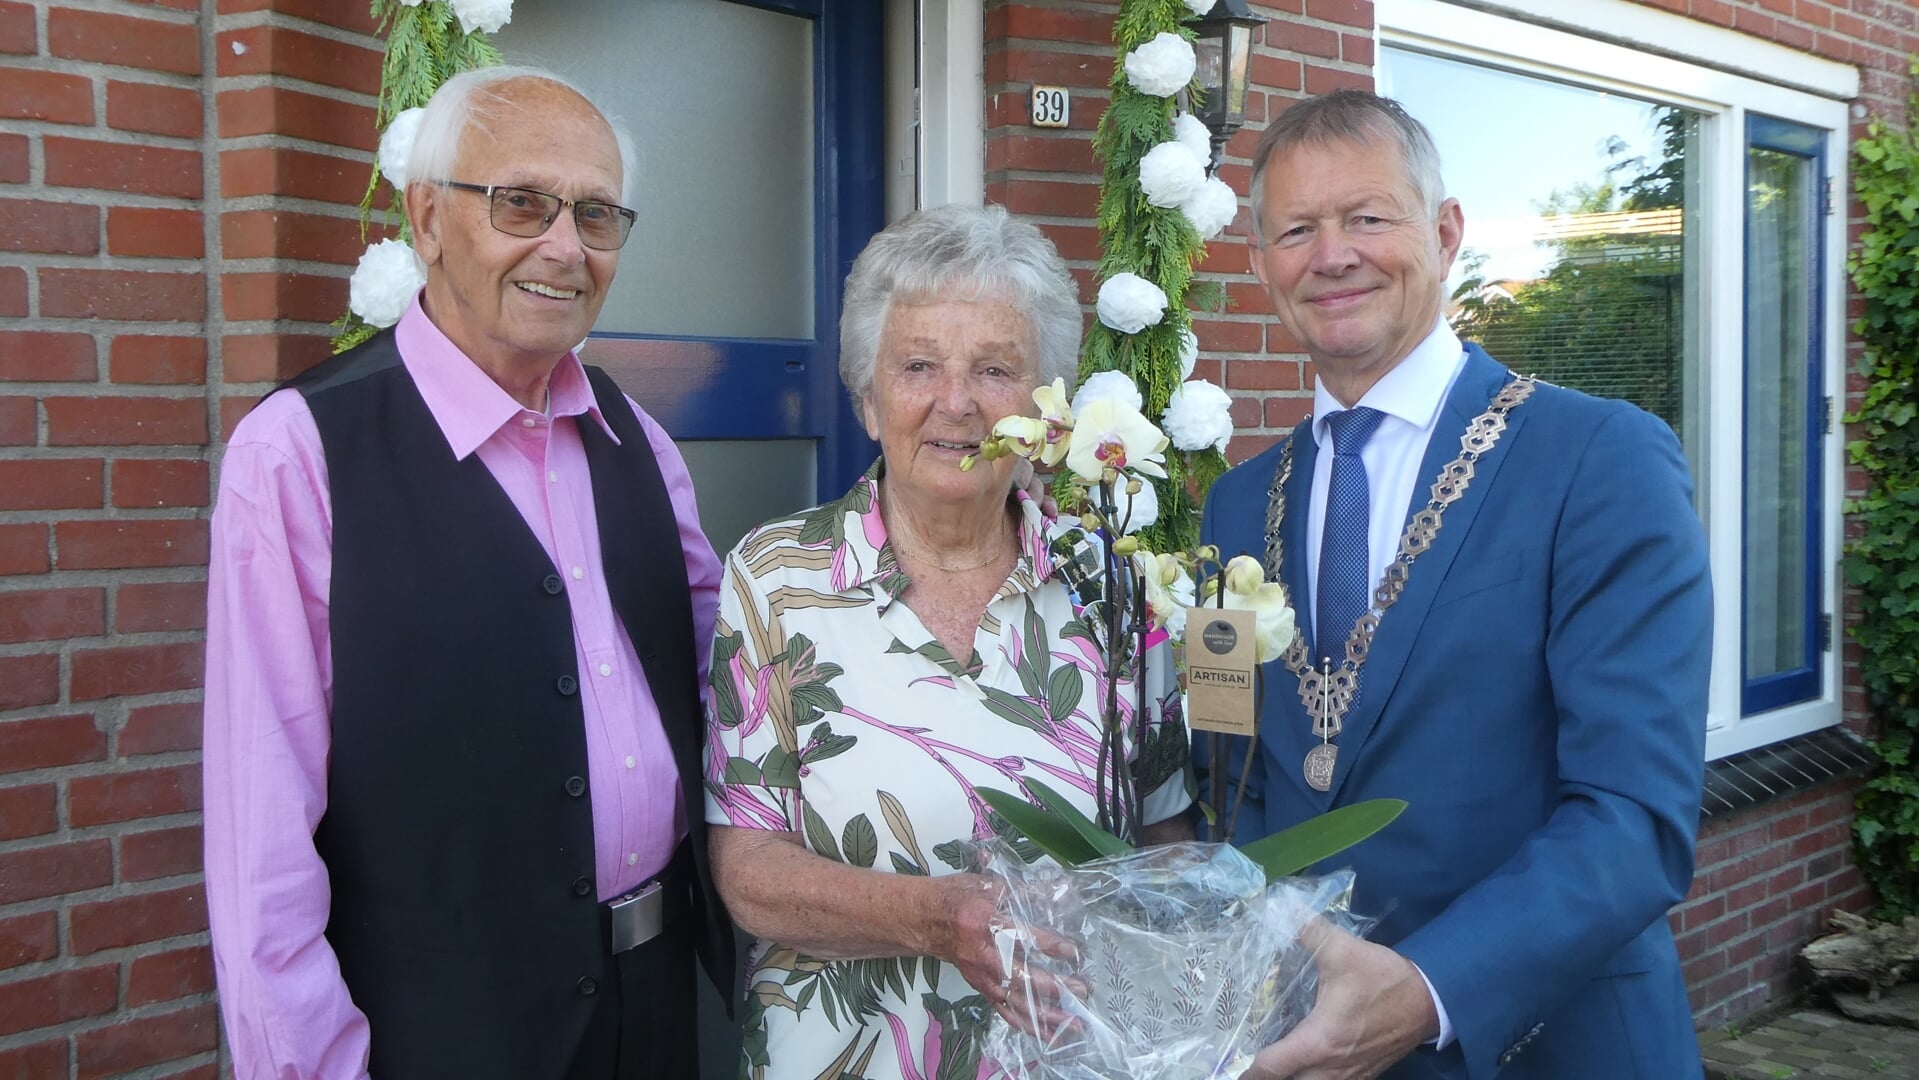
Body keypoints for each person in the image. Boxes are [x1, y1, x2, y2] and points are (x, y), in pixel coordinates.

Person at [202, 66, 731, 1080]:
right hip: (440, 1033)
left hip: (653, 1013)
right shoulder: (300, 456)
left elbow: (726, 692)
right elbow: (259, 840)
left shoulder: (639, 443)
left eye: (596, 215)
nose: (564, 247)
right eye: (522, 203)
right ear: (428, 218)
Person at [1199, 90, 1712, 1079]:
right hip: (1301, 1050)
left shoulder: (1595, 460)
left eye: (1366, 217)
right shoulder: (1235, 507)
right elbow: (1243, 780)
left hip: (1543, 1048)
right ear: (1262, 263)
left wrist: (1428, 986)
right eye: (1296, 229)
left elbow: (1633, 813)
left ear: (1443, 233)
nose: (1331, 254)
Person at [704, 204, 1196, 1079]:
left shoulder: (1109, 585)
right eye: (918, 365)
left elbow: (1163, 843)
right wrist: (939, 917)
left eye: (995, 369)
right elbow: (746, 869)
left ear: (1044, 407)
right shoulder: (777, 578)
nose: (956, 402)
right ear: (866, 395)